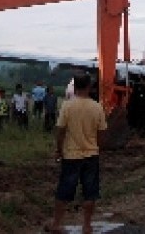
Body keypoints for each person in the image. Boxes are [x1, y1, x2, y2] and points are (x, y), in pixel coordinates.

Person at [45, 74, 108, 234]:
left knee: (64, 191)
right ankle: (86, 225)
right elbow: (102, 133)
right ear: (90, 86)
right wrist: (97, 148)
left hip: (71, 155)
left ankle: (57, 223)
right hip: (91, 154)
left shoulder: (67, 106)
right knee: (90, 192)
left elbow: (60, 131)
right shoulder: (97, 107)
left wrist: (59, 149)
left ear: (74, 87)